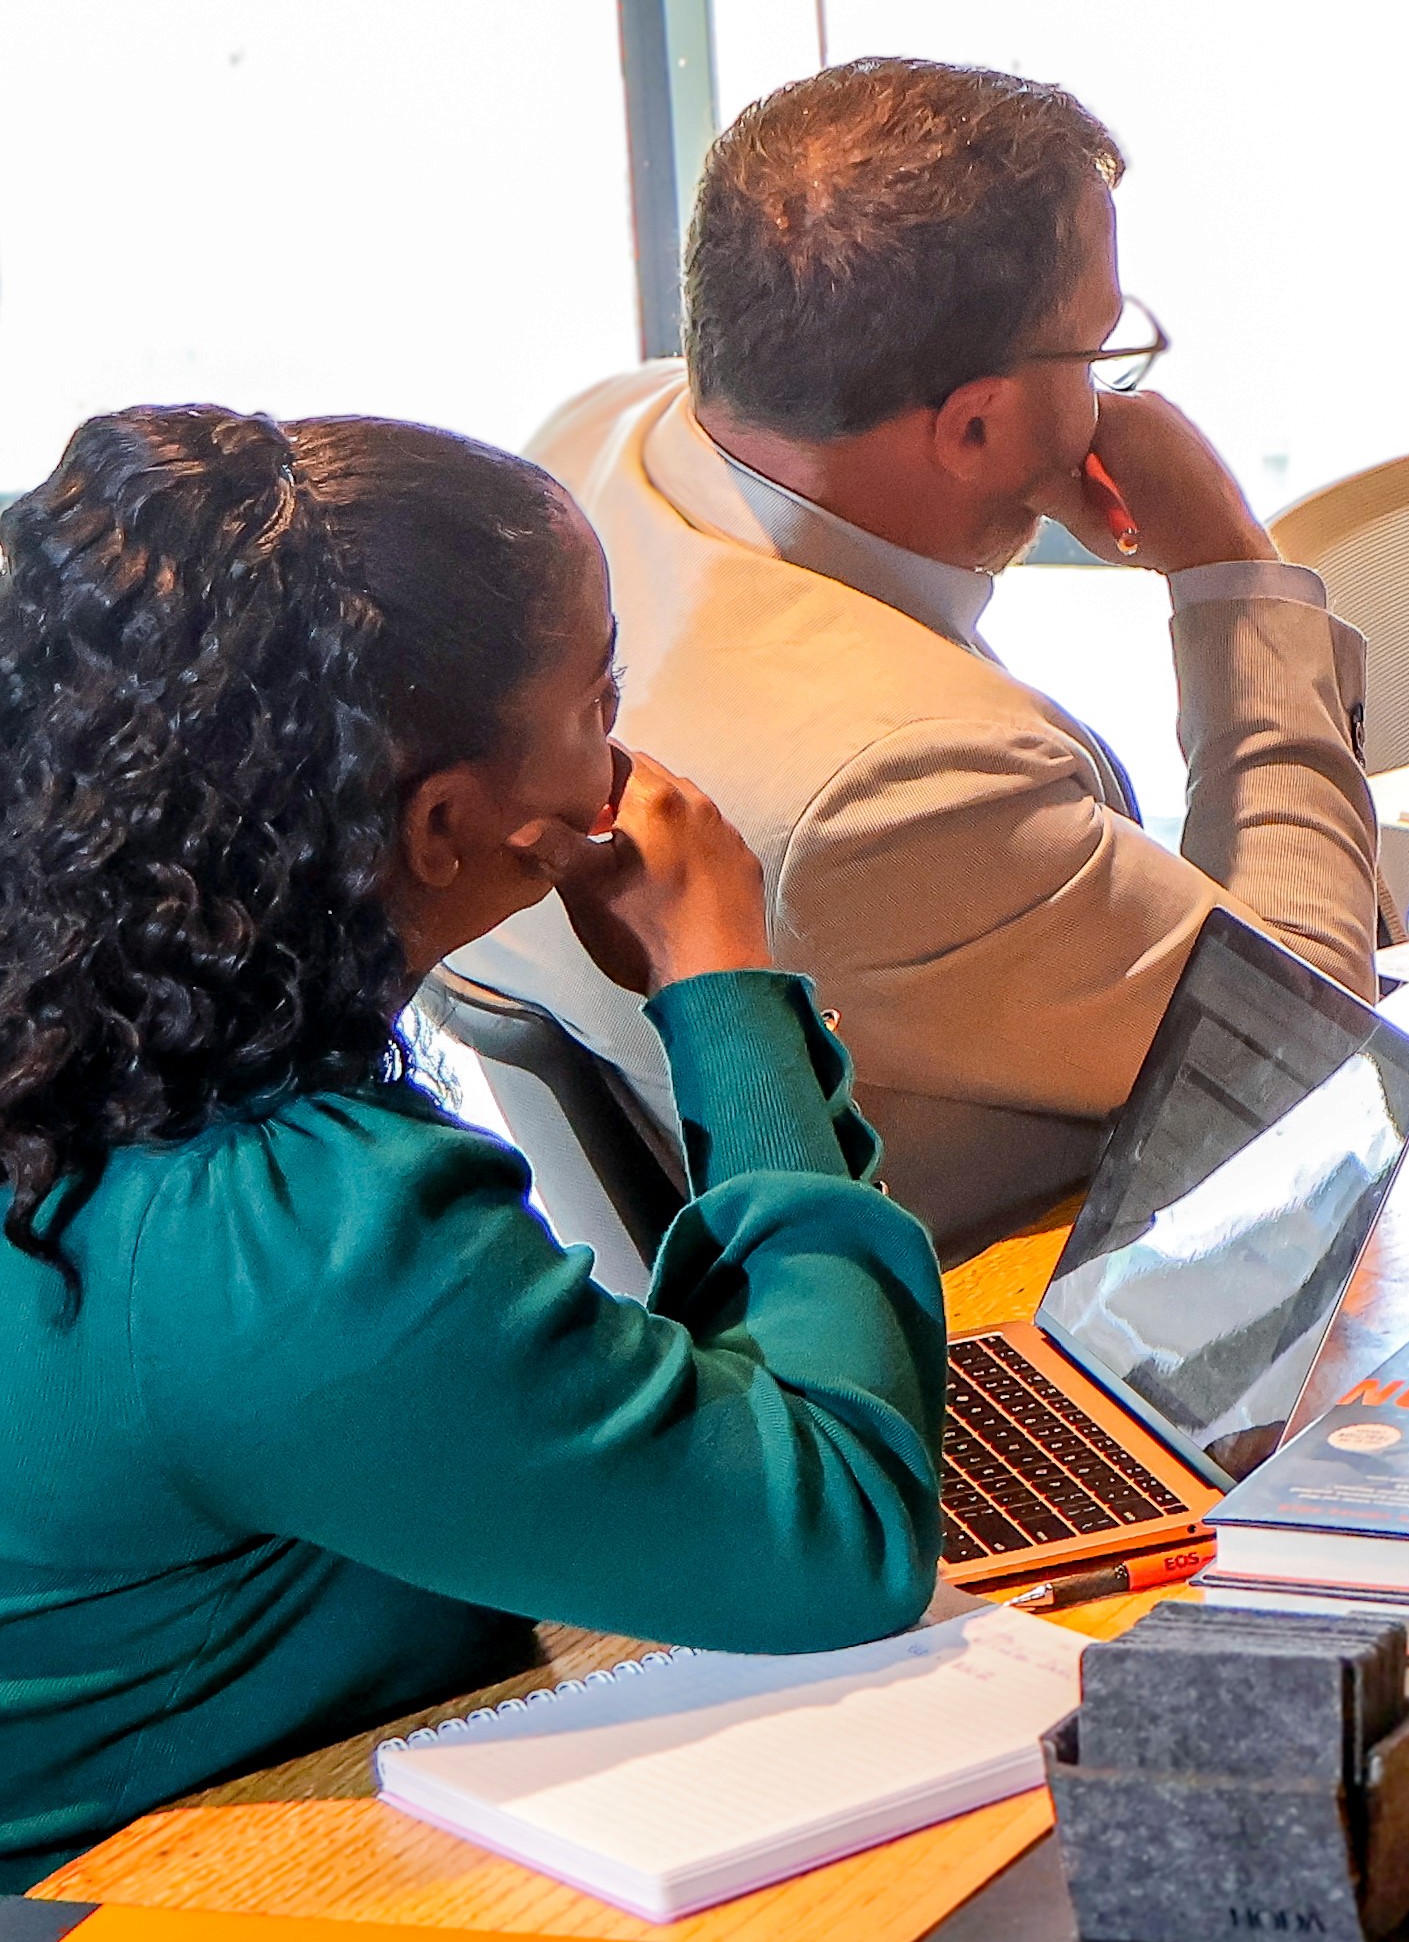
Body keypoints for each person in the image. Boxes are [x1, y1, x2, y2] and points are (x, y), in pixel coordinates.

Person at [0, 409, 942, 1848]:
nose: (629, 756)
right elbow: (845, 1532)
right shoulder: (301, 1235)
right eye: (596, 703)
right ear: (443, 826)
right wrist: (723, 982)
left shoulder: (82, 1028)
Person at [468, 58, 1388, 1249]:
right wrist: (1230, 575)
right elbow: (1306, 1054)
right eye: (1099, 352)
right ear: (973, 422)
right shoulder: (894, 789)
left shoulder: (586, 451)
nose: (1116, 394)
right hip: (1028, 1304)